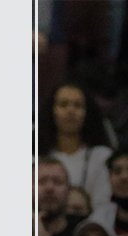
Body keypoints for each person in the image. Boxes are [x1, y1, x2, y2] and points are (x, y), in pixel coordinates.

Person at [39, 82, 113, 210]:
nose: (70, 111)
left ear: (87, 113)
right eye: (63, 104)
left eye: (77, 105)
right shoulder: (35, 158)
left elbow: (103, 207)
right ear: (52, 111)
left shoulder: (102, 157)